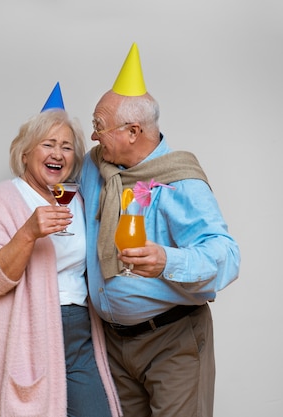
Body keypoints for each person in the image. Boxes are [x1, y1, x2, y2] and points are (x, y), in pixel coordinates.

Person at [80, 43, 241, 417]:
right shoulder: (96, 166)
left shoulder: (180, 181)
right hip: (113, 346)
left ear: (133, 131)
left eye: (99, 127)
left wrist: (167, 259)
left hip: (172, 341)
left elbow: (227, 255)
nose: (93, 137)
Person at [0, 83, 122, 417]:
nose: (58, 153)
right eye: (49, 144)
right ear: (25, 154)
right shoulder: (4, 198)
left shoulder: (79, 200)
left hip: (80, 331)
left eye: (67, 147)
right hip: (31, 333)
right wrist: (28, 232)